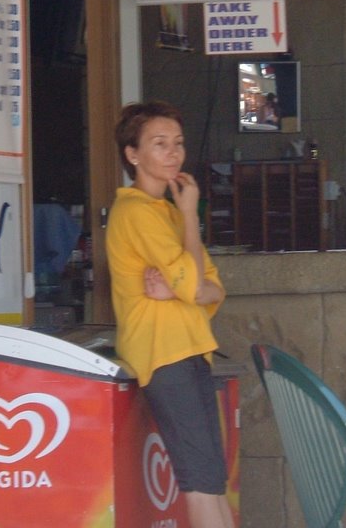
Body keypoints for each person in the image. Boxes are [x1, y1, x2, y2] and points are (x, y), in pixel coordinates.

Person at [106, 101, 234, 528]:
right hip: (164, 353)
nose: (172, 153)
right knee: (199, 479)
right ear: (133, 154)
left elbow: (213, 288)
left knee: (212, 478)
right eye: (158, 144)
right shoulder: (136, 211)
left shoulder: (165, 210)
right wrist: (190, 219)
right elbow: (198, 286)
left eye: (177, 143)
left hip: (192, 348)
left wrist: (190, 288)